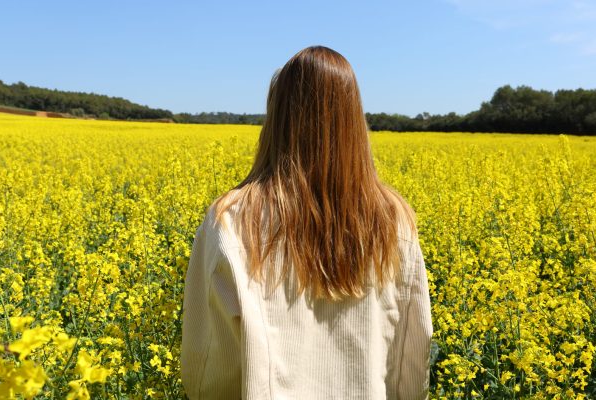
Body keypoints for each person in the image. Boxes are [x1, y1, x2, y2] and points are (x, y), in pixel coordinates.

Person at [180, 45, 432, 399]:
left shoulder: (231, 220)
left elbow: (207, 365)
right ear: (353, 119)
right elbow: (412, 352)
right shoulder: (394, 220)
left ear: (278, 116)